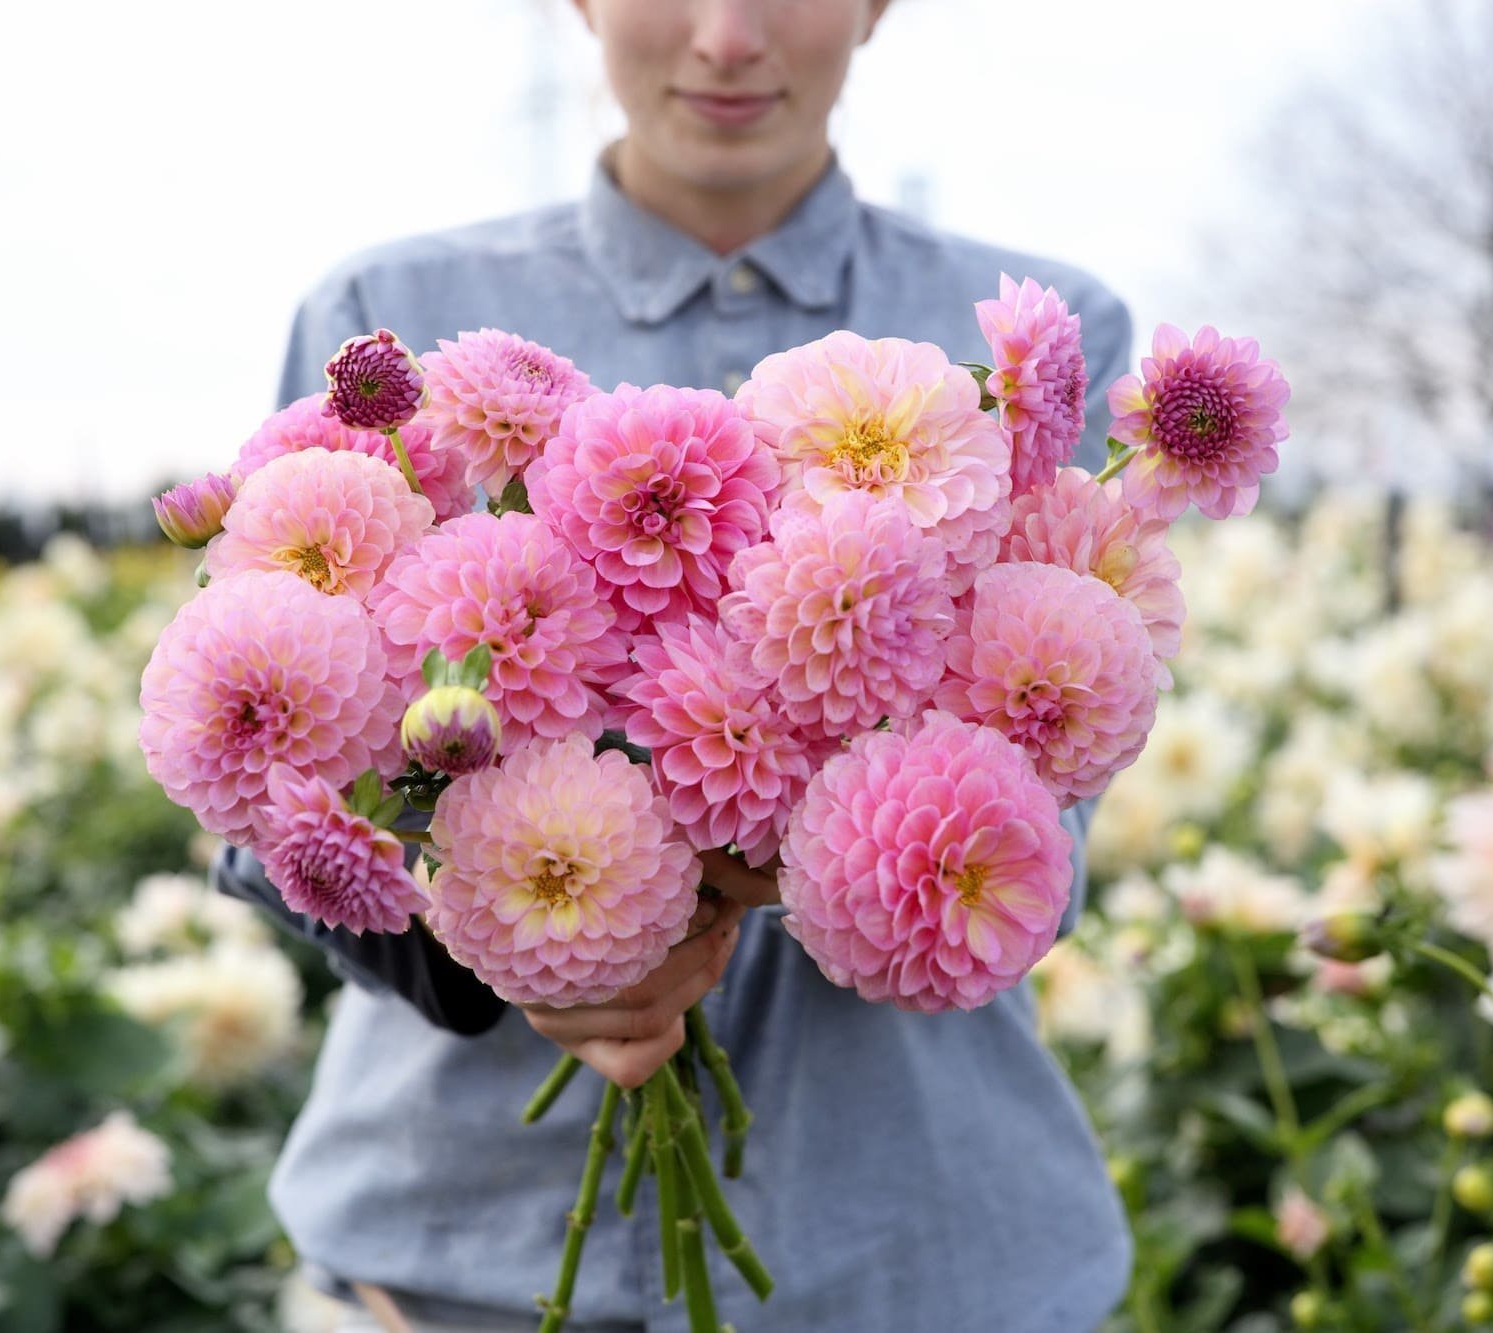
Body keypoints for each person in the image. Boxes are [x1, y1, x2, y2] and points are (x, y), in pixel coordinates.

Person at [213, 2, 1138, 1328]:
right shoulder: (390, 324)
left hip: (915, 1257)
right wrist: (502, 930)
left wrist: (746, 872)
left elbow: (1059, 800)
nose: (725, 35)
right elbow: (272, 803)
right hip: (460, 1263)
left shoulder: (1036, 352)